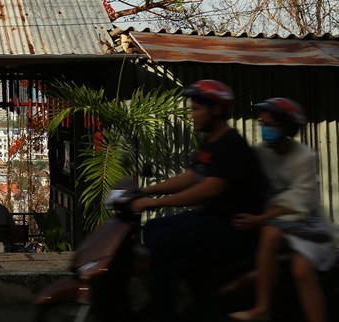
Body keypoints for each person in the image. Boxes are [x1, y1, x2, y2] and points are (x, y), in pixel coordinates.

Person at [129, 79, 267, 322]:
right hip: (213, 218)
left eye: (196, 109)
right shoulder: (210, 143)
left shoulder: (230, 144)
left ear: (215, 110)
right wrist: (146, 191)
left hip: (233, 226)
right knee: (151, 228)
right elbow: (191, 177)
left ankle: (164, 313)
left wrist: (155, 202)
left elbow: (208, 190)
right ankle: (193, 297)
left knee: (162, 239)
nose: (191, 115)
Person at [229, 97, 337, 322]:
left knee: (302, 272)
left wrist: (261, 218)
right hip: (275, 217)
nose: (265, 130)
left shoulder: (304, 157)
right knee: (270, 234)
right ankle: (263, 306)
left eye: (271, 125)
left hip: (306, 219)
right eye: (263, 124)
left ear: (287, 128)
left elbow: (298, 200)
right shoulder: (260, 152)